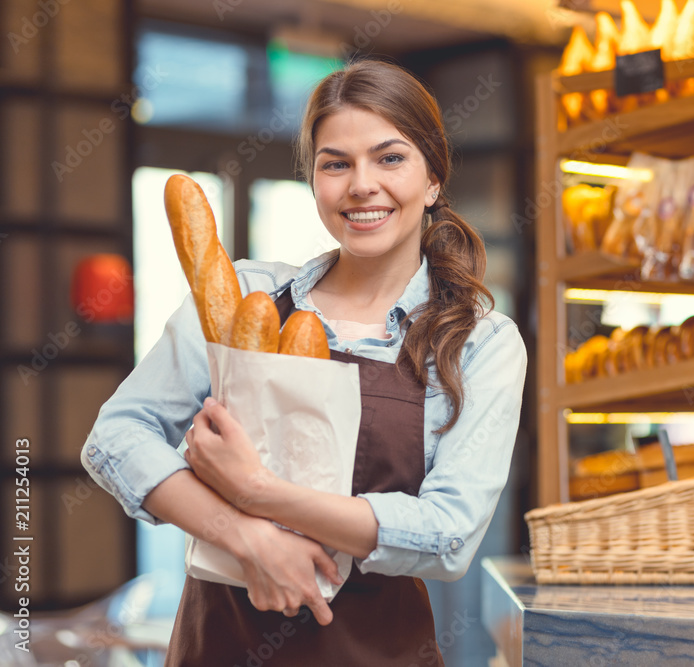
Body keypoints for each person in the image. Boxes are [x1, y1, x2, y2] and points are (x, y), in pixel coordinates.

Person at [81, 58, 527, 666]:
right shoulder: (245, 296)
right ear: (313, 180)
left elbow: (448, 534)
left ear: (434, 181)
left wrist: (256, 490)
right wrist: (245, 537)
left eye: (389, 158)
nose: (360, 184)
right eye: (335, 163)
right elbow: (115, 436)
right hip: (220, 646)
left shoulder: (480, 342)